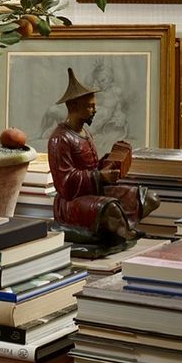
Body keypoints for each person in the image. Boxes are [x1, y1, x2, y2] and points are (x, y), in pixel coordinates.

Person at [47, 68, 159, 253]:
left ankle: (121, 228)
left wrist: (110, 161)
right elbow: (65, 183)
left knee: (148, 198)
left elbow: (91, 166)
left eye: (94, 105)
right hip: (71, 202)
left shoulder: (85, 132)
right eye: (90, 106)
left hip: (94, 189)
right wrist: (99, 176)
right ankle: (121, 229)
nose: (94, 110)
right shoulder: (60, 138)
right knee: (111, 207)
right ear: (74, 106)